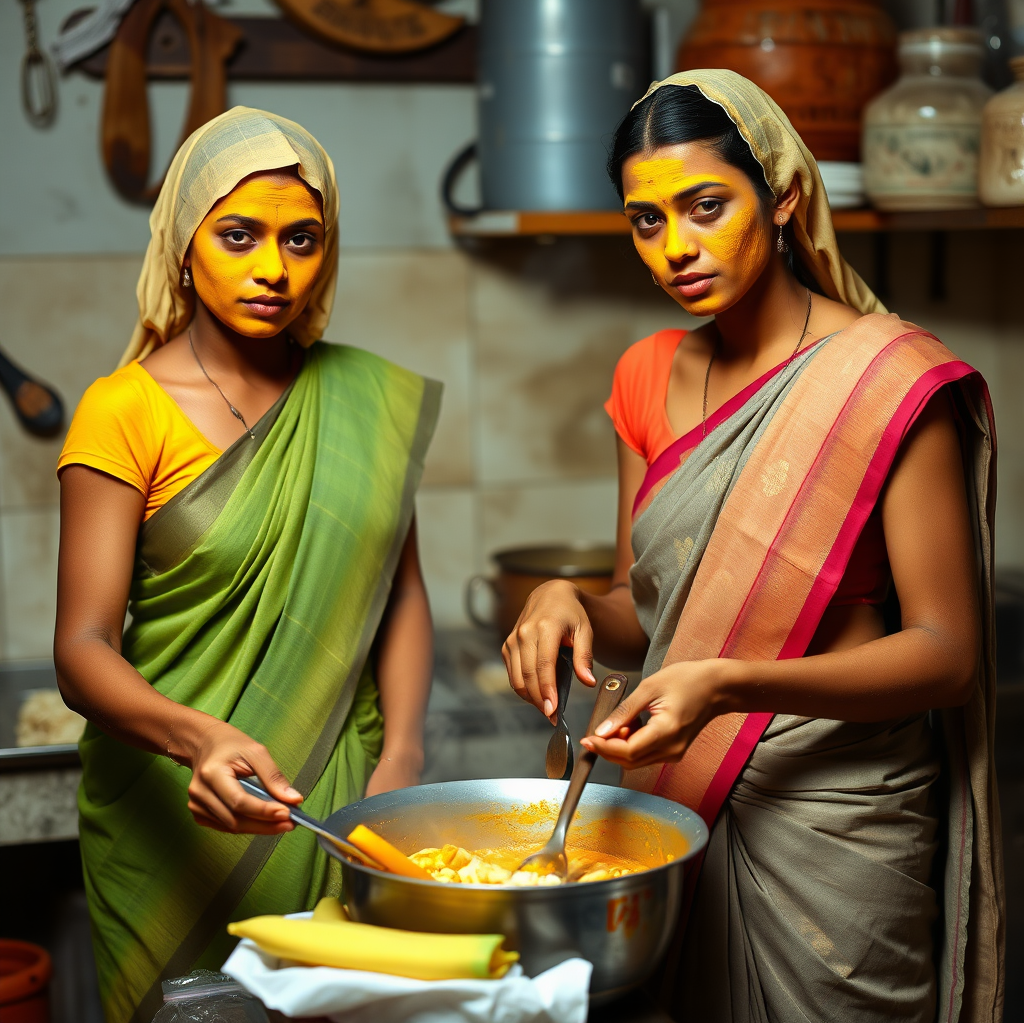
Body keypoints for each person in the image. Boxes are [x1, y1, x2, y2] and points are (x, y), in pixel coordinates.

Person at [502, 71, 1003, 1022]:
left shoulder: (886, 380)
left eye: (704, 206)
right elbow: (643, 605)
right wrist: (567, 598)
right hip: (680, 805)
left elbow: (947, 656)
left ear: (780, 198)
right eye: (647, 221)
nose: (676, 248)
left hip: (841, 817)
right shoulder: (647, 373)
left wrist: (731, 685)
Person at [53, 107, 440, 1023]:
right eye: (240, 236)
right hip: (170, 807)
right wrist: (201, 740)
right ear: (186, 244)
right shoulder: (124, 410)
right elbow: (81, 647)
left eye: (302, 240)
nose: (274, 268)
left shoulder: (364, 401)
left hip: (335, 806)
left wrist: (406, 754)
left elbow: (404, 597)